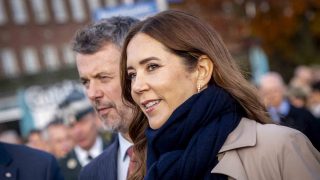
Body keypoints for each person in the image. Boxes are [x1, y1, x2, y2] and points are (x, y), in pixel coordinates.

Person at [119, 10, 320, 180]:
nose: (136, 86)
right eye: (132, 75)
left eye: (152, 66)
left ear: (202, 70)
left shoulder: (279, 149)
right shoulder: (142, 166)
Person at [72, 16, 139, 180]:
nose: (92, 93)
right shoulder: (90, 175)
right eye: (86, 82)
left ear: (135, 73)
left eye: (103, 77)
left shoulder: (191, 150)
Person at [58, 89, 113, 180]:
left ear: (96, 118)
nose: (77, 131)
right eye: (71, 126)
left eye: (83, 122)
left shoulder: (118, 152)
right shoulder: (61, 168)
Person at [259, 72, 320, 151]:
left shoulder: (303, 114)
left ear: (283, 89)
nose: (271, 95)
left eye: (275, 90)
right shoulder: (262, 118)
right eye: (266, 92)